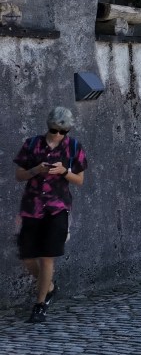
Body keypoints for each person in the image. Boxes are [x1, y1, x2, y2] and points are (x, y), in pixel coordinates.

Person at [13, 106, 88, 323]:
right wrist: (36, 170)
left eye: (63, 132)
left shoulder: (74, 147)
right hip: (32, 207)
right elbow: (19, 175)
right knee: (27, 257)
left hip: (58, 208)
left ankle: (40, 305)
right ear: (48, 126)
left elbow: (80, 180)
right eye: (54, 130)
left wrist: (64, 171)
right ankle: (50, 287)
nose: (58, 135)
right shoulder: (32, 144)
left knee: (47, 257)